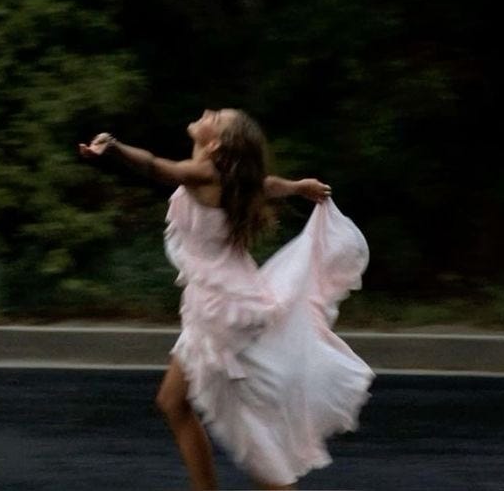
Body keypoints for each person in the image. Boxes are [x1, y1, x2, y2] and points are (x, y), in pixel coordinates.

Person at [79, 108, 373, 491]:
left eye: (215, 117)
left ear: (215, 144)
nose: (207, 112)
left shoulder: (204, 174)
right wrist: (298, 187)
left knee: (248, 433)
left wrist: (115, 148)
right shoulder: (235, 179)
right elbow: (267, 184)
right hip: (223, 301)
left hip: (223, 310)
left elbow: (154, 167)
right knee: (173, 402)